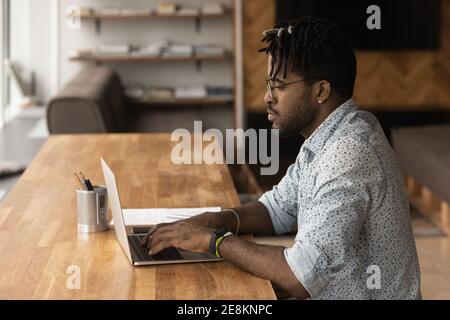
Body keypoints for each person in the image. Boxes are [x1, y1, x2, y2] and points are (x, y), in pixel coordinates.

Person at [141, 17, 421, 300]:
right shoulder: (330, 135)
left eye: (280, 86)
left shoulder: (348, 152)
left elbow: (301, 276)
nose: (267, 97)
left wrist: (212, 242)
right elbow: (276, 210)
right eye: (268, 84)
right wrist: (213, 220)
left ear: (321, 91)